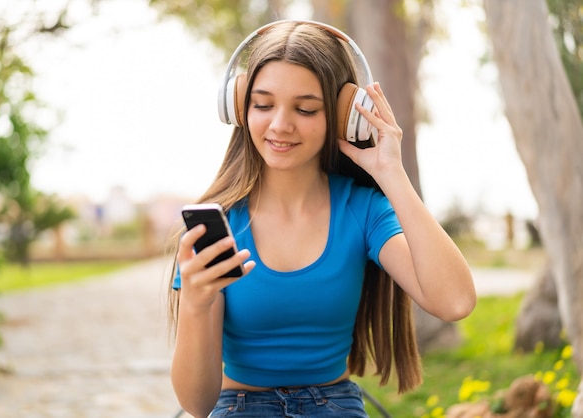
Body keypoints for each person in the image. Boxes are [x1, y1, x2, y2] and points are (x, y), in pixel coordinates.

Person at [168, 20, 476, 417]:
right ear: (240, 109)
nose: (280, 124)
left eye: (306, 108)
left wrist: (391, 173)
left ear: (345, 114)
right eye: (263, 105)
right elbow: (196, 404)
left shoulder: (362, 210)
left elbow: (454, 301)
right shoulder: (219, 226)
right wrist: (195, 303)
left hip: (334, 406)